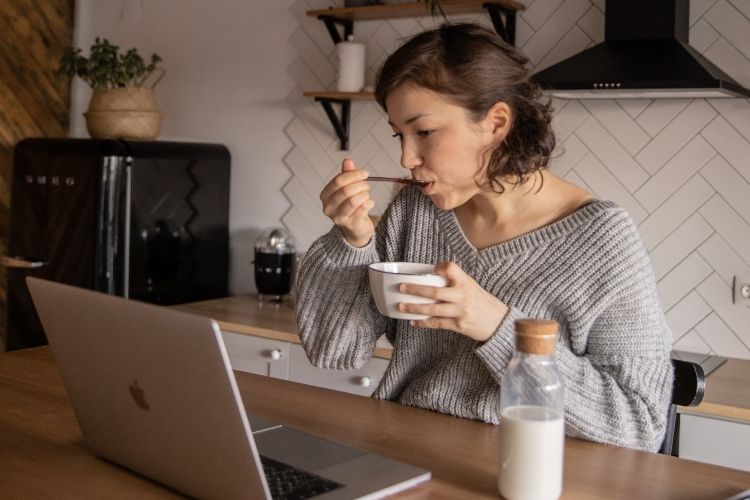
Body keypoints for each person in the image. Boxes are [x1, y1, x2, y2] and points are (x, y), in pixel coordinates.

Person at [295, 22, 673, 452]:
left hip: (521, 473)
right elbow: (333, 352)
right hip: (400, 454)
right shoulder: (414, 212)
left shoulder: (602, 241)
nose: (406, 157)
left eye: (424, 132)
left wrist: (498, 328)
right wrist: (353, 241)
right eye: (399, 134)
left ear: (495, 123)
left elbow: (640, 423)